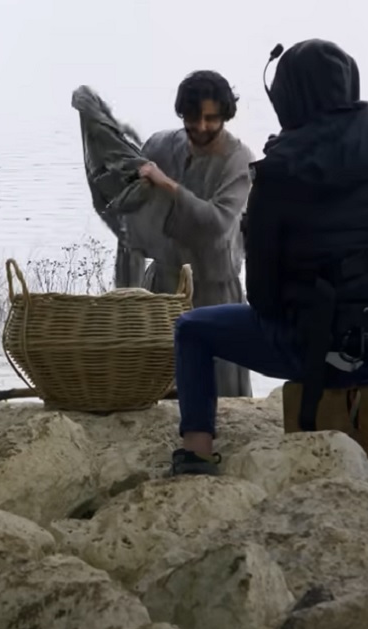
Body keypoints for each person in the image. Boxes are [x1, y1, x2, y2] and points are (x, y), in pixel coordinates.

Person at [169, 38, 368, 476]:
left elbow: (263, 298)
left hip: (316, 351)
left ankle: (197, 452)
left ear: (286, 98)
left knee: (192, 329)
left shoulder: (278, 169)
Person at [132, 70, 255, 398]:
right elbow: (130, 193)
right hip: (164, 281)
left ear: (226, 115)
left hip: (214, 287)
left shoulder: (239, 161)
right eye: (193, 117)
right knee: (155, 384)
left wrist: (166, 184)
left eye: (211, 119)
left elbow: (215, 223)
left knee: (223, 391)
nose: (201, 127)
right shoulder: (160, 145)